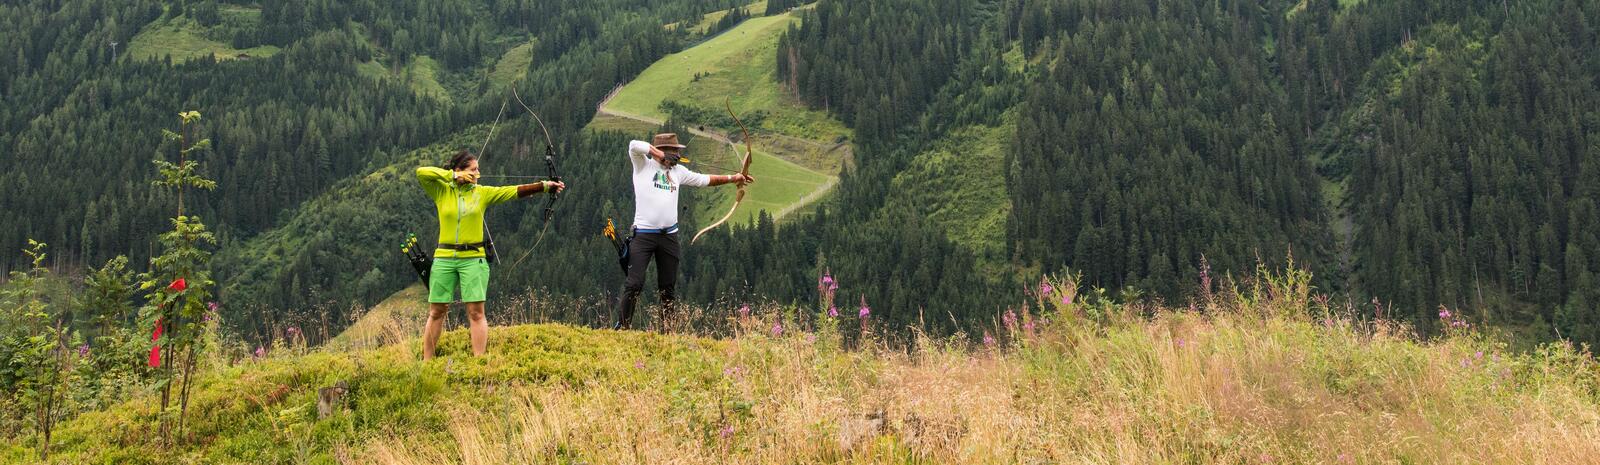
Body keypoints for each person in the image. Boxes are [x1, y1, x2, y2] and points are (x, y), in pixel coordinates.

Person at [416, 150, 565, 359]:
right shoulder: (442, 191)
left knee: (476, 312)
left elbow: (512, 191)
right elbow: (422, 172)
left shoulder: (482, 193)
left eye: (478, 169)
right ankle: (427, 361)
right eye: (473, 170)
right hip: (444, 258)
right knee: (437, 311)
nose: (478, 173)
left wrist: (545, 186)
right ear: (460, 171)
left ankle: (479, 361)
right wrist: (452, 177)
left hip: (473, 259)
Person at [614, 133, 753, 330]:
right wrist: (658, 156)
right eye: (674, 152)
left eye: (678, 152)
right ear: (663, 151)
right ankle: (622, 326)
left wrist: (734, 177)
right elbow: (633, 144)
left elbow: (705, 180)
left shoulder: (678, 171)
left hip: (669, 237)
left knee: (667, 288)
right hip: (643, 235)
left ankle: (667, 331)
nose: (678, 155)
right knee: (634, 283)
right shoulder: (642, 165)